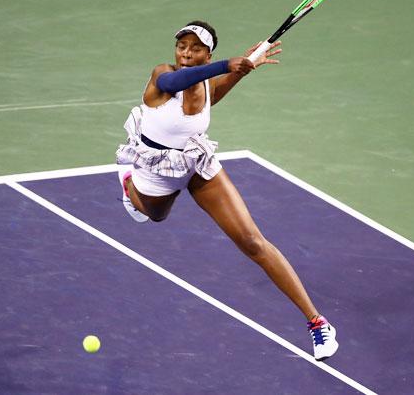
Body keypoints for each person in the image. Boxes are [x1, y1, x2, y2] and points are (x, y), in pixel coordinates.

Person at [115, 20, 338, 361]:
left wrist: (242, 70)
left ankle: (317, 323)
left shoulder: (204, 84)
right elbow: (176, 81)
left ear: (208, 52)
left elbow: (212, 95)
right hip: (156, 168)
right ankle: (128, 181)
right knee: (154, 215)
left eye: (195, 48)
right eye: (182, 46)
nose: (186, 54)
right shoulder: (163, 75)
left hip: (196, 165)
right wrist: (225, 65)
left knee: (253, 242)